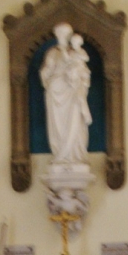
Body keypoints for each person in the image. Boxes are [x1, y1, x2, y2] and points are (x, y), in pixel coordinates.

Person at [40, 23, 92, 164]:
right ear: (57, 35)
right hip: (56, 90)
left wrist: (78, 76)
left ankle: (75, 155)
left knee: (75, 119)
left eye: (66, 34)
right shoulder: (52, 52)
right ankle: (60, 154)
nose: (64, 36)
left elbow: (85, 72)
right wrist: (48, 76)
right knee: (58, 123)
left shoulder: (76, 52)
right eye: (61, 34)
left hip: (72, 89)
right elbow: (45, 72)